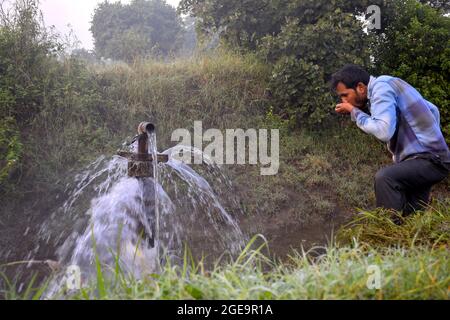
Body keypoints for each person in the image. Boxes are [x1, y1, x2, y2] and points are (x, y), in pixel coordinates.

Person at [331, 64, 449, 216]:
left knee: (385, 178)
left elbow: (383, 131)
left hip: (430, 160)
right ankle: (403, 235)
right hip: (430, 160)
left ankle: (387, 234)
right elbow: (433, 109)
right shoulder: (390, 84)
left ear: (360, 87)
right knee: (411, 215)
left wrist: (354, 111)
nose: (344, 100)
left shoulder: (380, 87)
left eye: (345, 95)